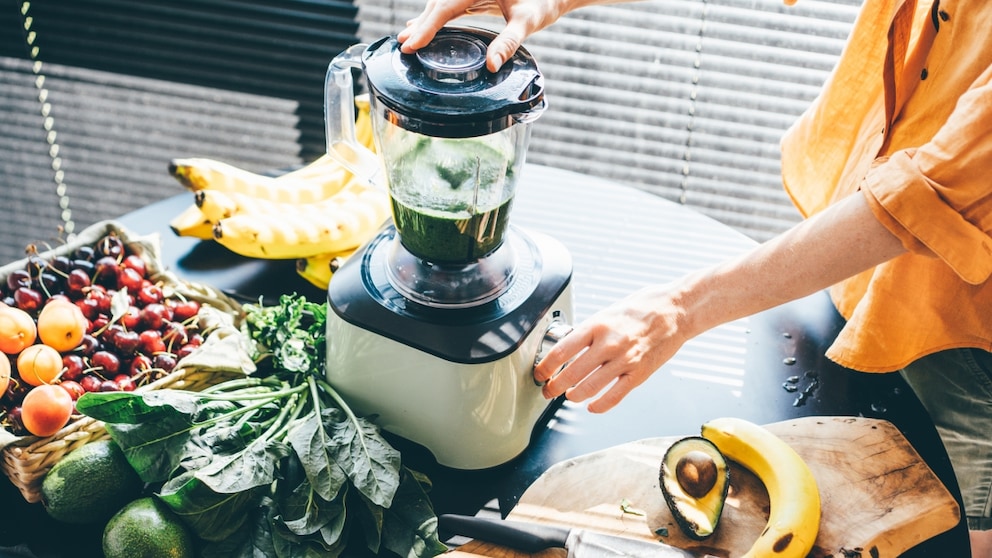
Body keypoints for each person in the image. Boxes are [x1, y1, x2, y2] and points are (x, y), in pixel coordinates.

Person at [401, 0, 991, 555]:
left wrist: (680, 309)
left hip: (970, 333)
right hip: (855, 261)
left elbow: (928, 195)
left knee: (955, 527)